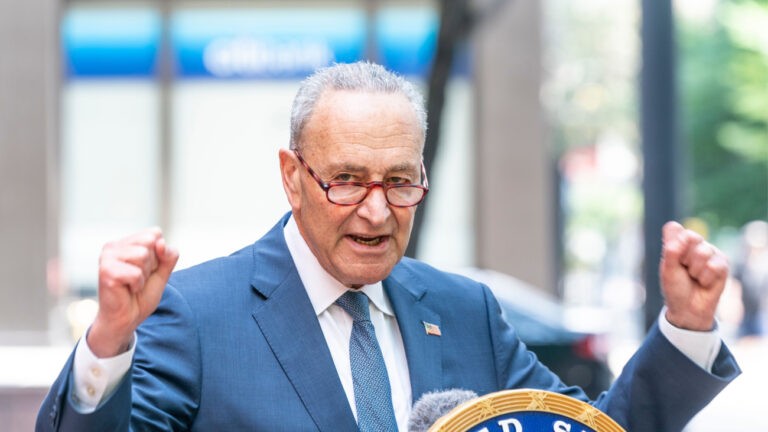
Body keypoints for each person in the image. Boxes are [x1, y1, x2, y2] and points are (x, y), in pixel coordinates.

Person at [37, 61, 739, 432]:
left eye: (401, 181)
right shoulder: (194, 313)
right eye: (346, 180)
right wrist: (106, 347)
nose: (377, 210)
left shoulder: (468, 313)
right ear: (292, 177)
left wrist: (686, 330)